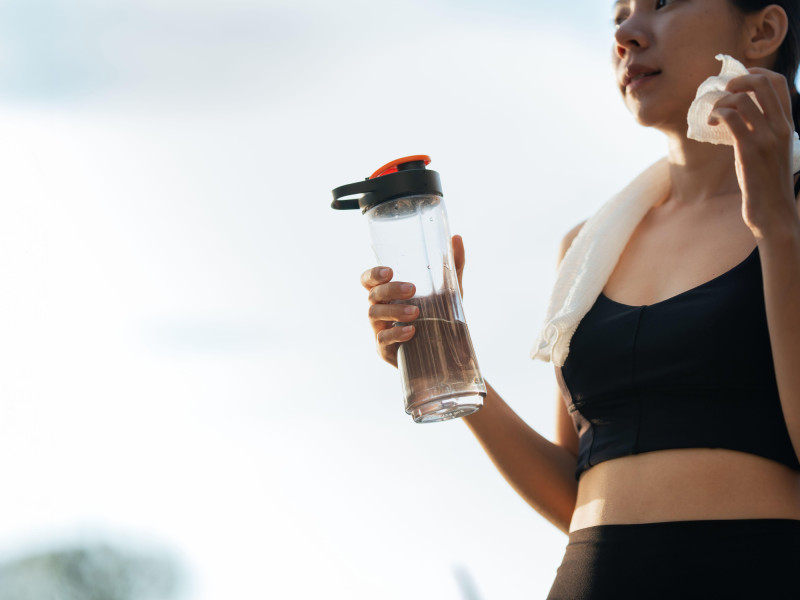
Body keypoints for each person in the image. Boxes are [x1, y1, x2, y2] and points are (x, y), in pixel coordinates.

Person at [360, 0, 800, 597]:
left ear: (763, 29)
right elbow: (576, 492)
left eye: (663, 4)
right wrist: (445, 356)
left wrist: (777, 226)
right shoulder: (590, 246)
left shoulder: (790, 214)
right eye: (618, 13)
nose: (627, 32)